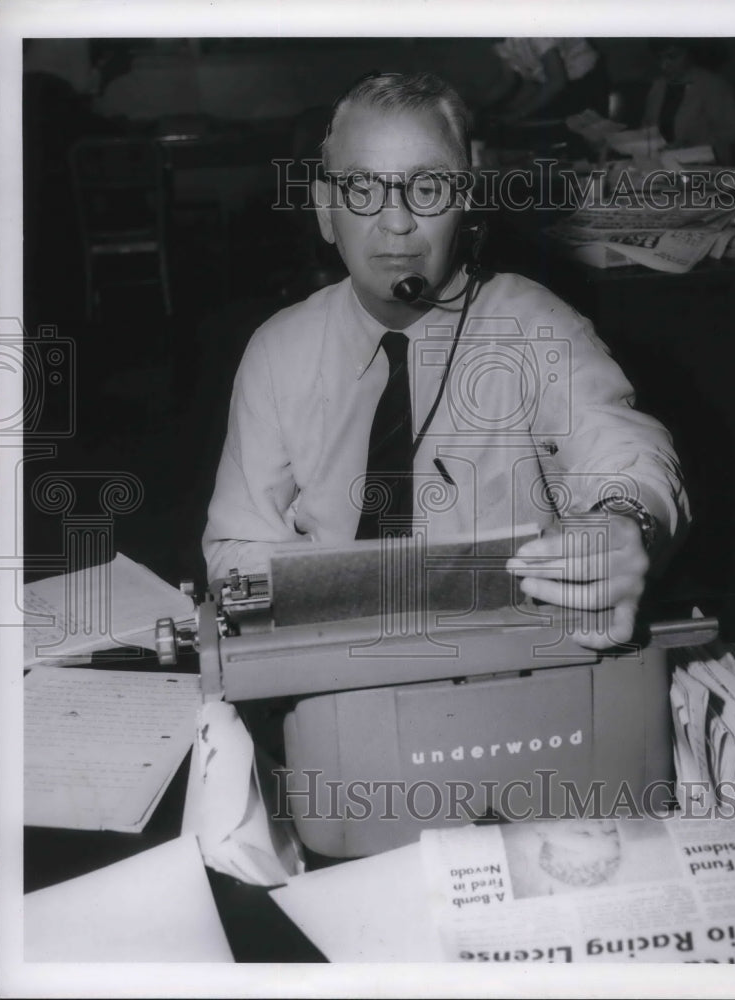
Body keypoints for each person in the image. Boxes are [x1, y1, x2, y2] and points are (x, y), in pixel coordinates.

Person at [203, 71, 689, 650]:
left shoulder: (537, 326)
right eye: (362, 188)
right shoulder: (276, 352)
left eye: (427, 187)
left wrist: (628, 521)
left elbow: (628, 453)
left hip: (508, 660)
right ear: (326, 211)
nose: (397, 220)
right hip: (330, 659)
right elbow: (237, 548)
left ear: (464, 203)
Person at [642, 40, 735, 165]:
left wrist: (690, 144)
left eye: (672, 57)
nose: (664, 65)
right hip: (661, 164)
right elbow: (648, 126)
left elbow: (732, 133)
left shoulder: (713, 86)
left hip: (703, 166)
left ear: (690, 54)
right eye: (659, 58)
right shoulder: (658, 86)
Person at [481, 37, 609, 122]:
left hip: (587, 82)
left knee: (584, 142)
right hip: (556, 84)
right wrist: (478, 107)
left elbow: (557, 82)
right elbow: (510, 80)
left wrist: (518, 114)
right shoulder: (498, 40)